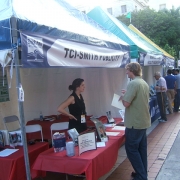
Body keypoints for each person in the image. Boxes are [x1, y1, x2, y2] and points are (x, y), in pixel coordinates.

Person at [119, 62, 151, 180]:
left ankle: (141, 176)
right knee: (141, 149)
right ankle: (142, 173)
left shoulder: (133, 83)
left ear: (132, 70)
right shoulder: (143, 82)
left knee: (131, 149)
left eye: (127, 70)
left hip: (134, 123)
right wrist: (127, 95)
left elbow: (126, 104)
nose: (126, 72)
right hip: (143, 121)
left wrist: (123, 98)